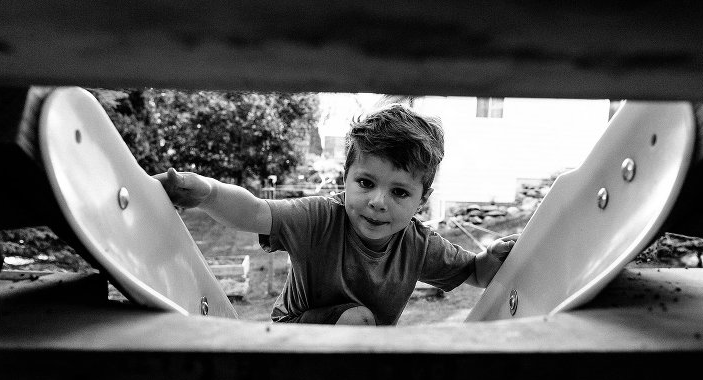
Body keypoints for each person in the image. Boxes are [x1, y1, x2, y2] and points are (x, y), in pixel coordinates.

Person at [154, 103, 518, 326]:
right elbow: (253, 211)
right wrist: (205, 191)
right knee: (357, 319)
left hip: (357, 349)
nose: (378, 201)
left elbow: (474, 274)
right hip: (294, 337)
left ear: (422, 199)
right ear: (344, 179)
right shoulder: (319, 218)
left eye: (399, 191)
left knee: (362, 327)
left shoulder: (419, 246)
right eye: (365, 182)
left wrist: (494, 256)